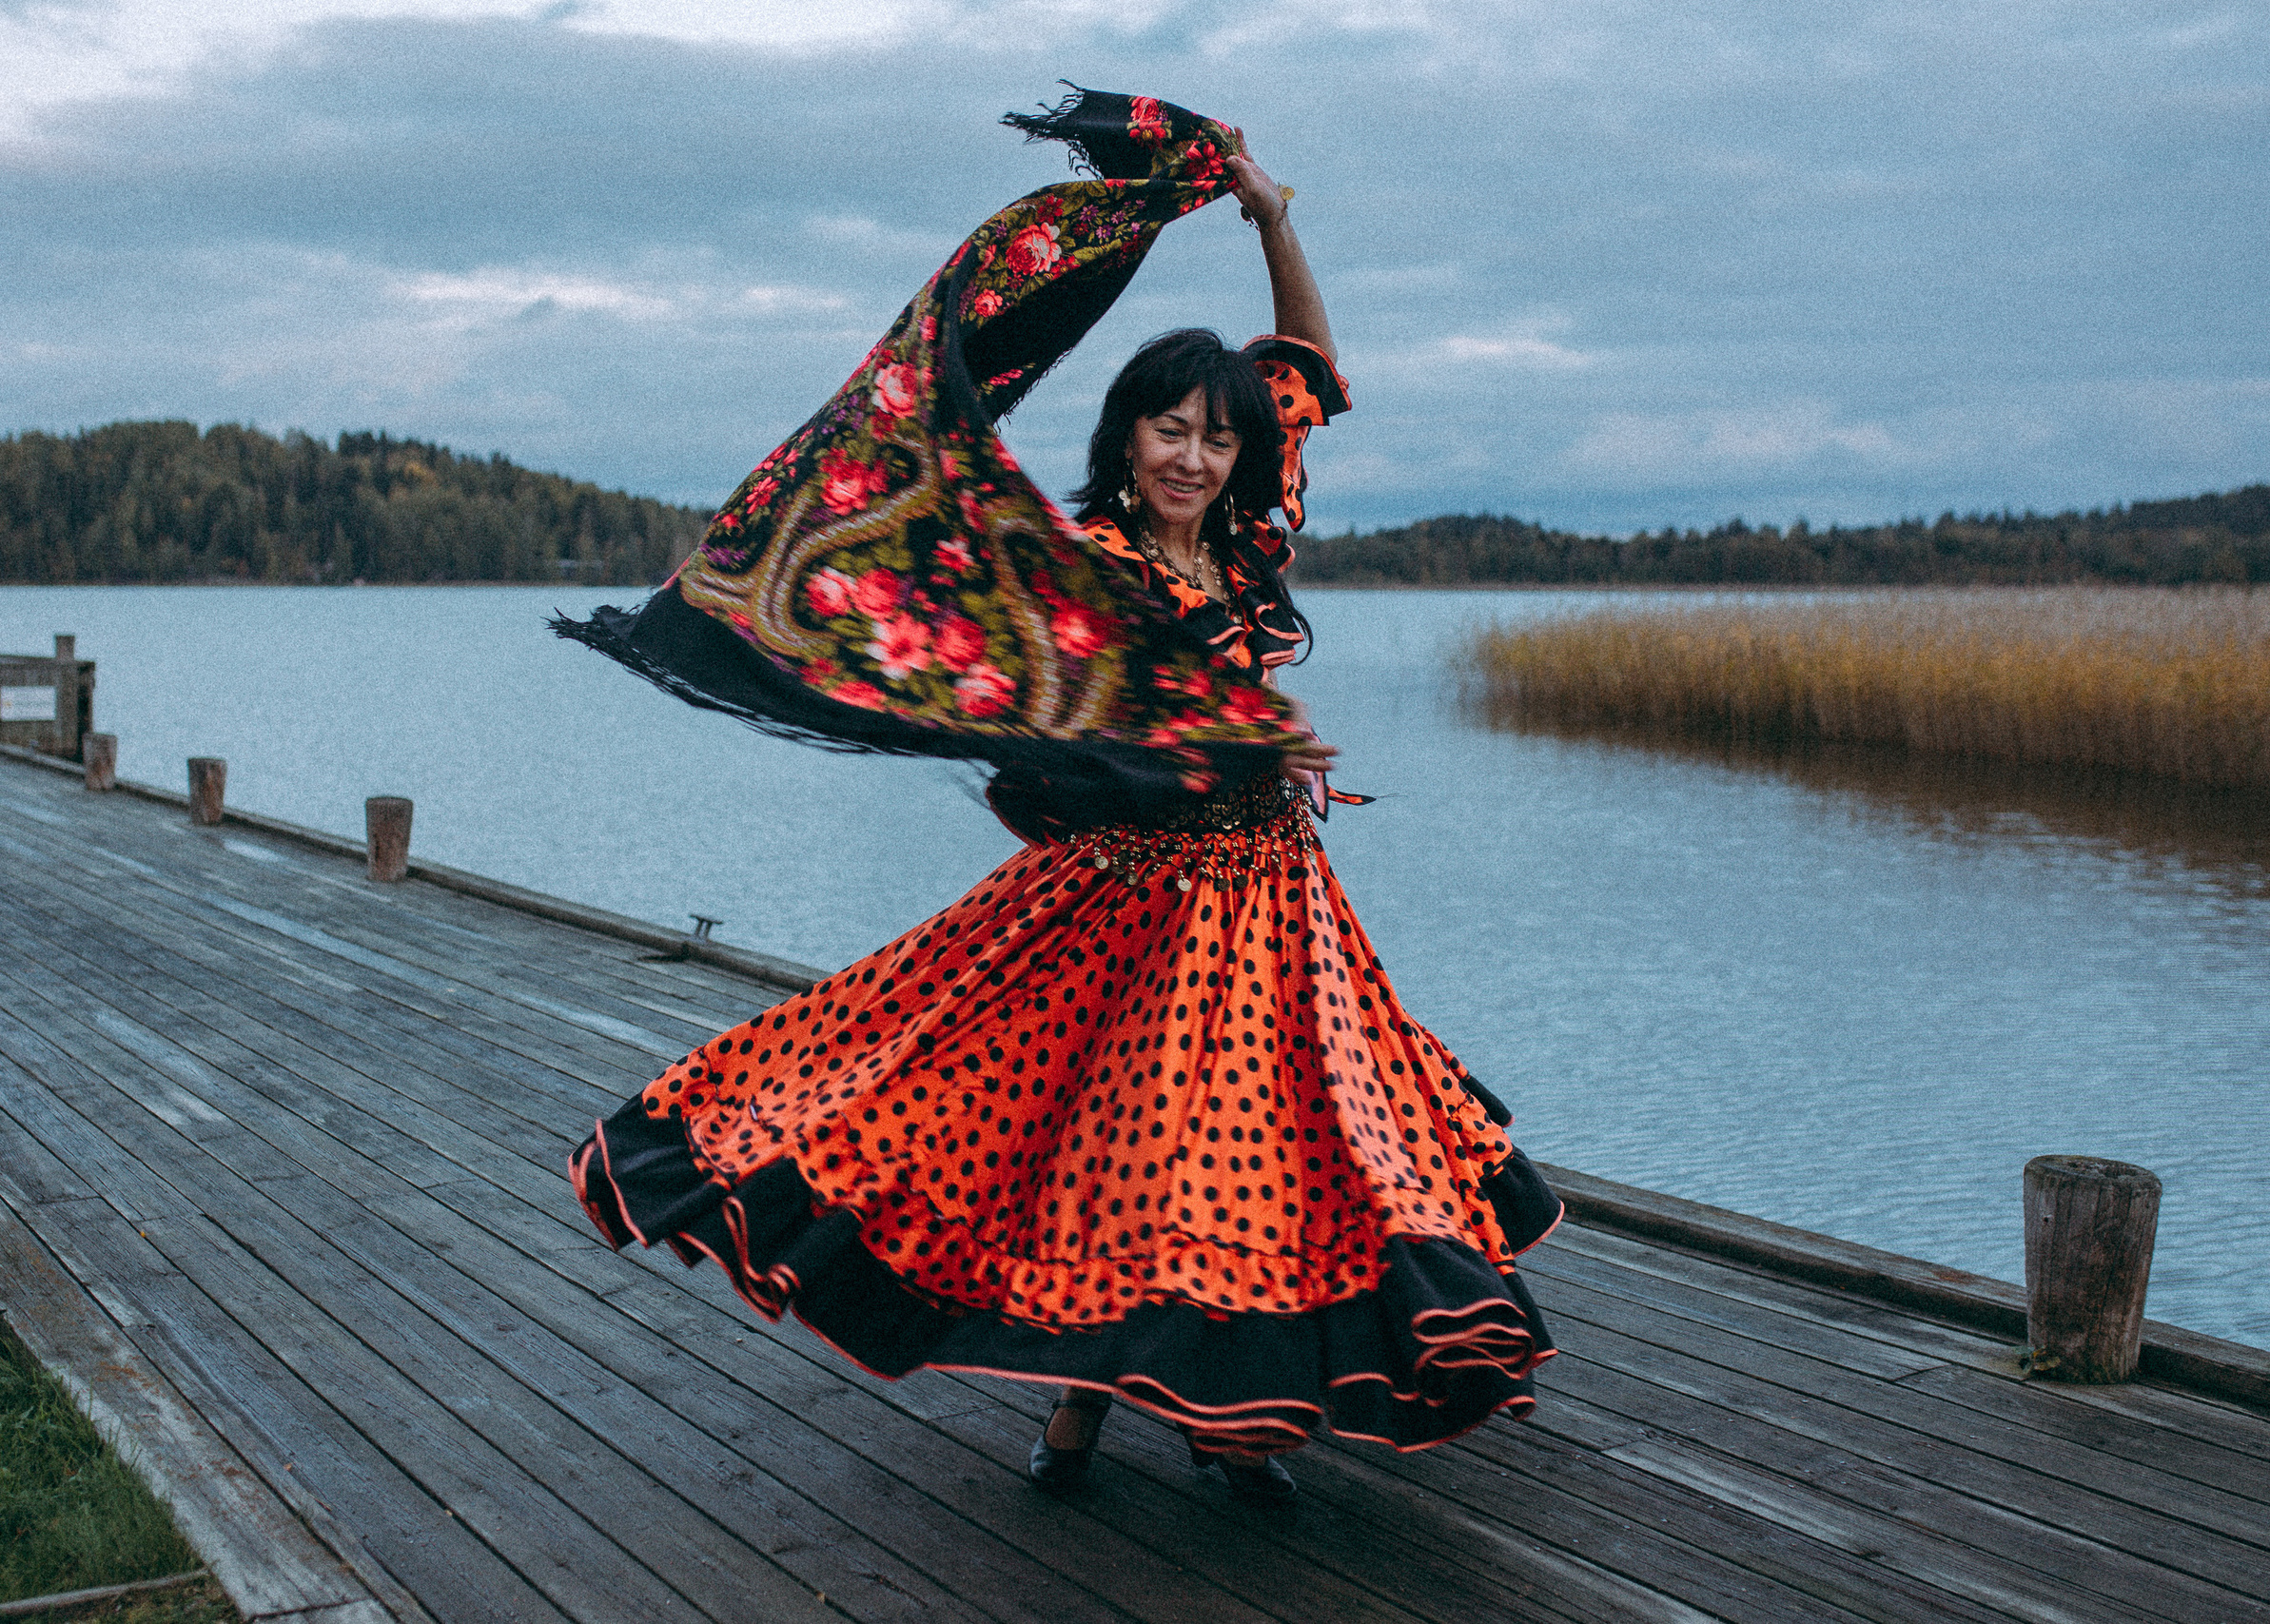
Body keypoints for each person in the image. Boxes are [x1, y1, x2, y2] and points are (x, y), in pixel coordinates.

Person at [561, 88, 1559, 1508]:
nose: (1191, 458)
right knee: (1118, 1160)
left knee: (1268, 1164)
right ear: (1128, 436)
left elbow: (1311, 364)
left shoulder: (1249, 542)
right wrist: (1229, 746)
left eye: (1214, 441)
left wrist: (1271, 219)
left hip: (1276, 921)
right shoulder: (1080, 567)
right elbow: (1036, 724)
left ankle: (1235, 1426)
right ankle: (1083, 1420)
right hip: (1119, 914)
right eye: (1167, 431)